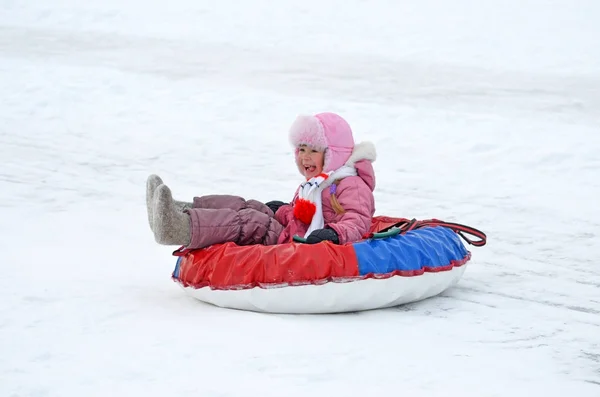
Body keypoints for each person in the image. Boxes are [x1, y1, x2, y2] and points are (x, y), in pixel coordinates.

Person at [146, 112, 377, 249]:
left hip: (301, 243)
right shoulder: (315, 183)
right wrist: (284, 210)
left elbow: (358, 220)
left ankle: (179, 228)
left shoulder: (351, 185)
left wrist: (334, 234)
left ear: (333, 154)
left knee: (253, 221)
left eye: (313, 151)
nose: (305, 157)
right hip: (295, 231)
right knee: (249, 206)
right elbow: (302, 215)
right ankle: (180, 209)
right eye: (301, 149)